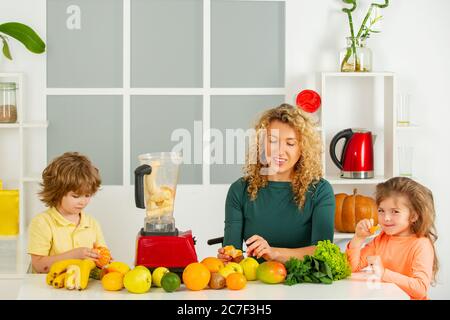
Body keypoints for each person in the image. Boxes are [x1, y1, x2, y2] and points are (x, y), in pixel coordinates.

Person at [218, 103, 335, 263]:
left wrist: (275, 253)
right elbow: (234, 256)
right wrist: (228, 257)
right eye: (272, 141)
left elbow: (322, 251)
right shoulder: (240, 190)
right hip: (257, 283)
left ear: (303, 148)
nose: (279, 151)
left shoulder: (320, 190)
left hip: (305, 285)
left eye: (290, 143)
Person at [346, 177, 438, 300]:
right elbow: (352, 267)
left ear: (414, 216)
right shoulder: (382, 238)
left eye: (395, 212)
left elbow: (420, 289)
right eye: (381, 210)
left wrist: (384, 274)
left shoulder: (421, 244)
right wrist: (358, 238)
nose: (386, 218)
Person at [28, 152, 107, 273]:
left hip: (84, 286)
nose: (83, 202)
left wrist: (103, 261)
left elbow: (101, 256)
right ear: (57, 192)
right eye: (75, 196)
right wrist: (74, 255)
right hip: (50, 287)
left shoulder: (92, 223)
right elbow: (39, 265)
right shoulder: (43, 222)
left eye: (87, 195)